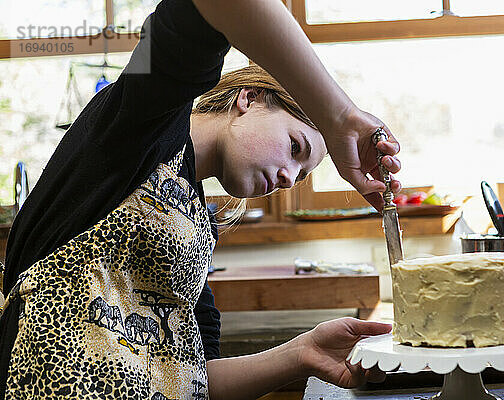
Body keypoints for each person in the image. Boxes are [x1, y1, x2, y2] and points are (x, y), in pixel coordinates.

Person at [0, 0, 401, 398]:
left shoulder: (192, 235)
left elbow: (195, 380)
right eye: (295, 147)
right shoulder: (140, 127)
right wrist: (337, 115)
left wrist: (301, 353)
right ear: (248, 99)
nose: (287, 178)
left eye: (301, 176)